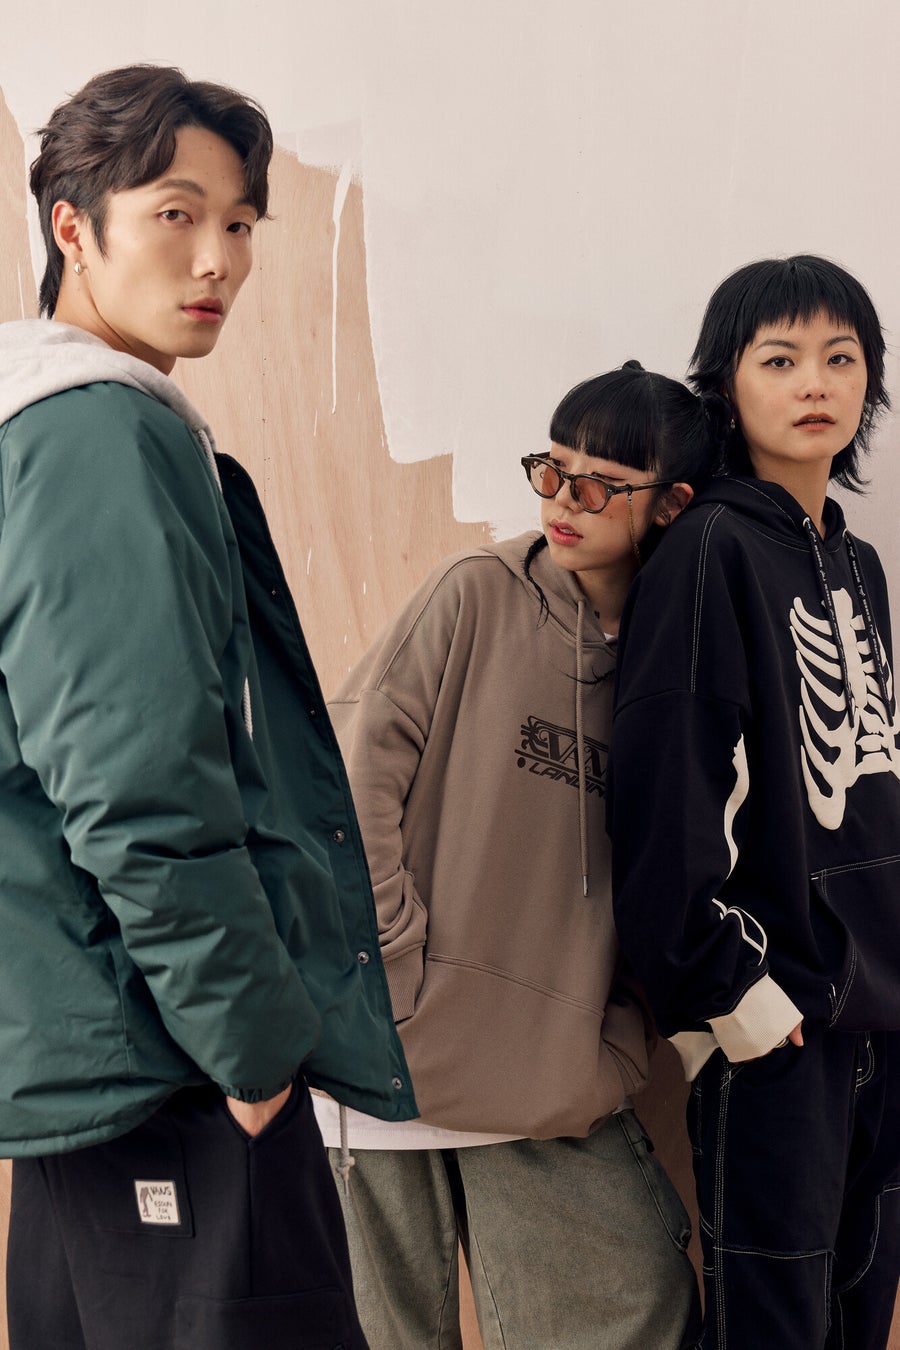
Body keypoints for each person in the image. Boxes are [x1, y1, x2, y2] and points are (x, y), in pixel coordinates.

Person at [0, 64, 416, 1350]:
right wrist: (249, 1043)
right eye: (175, 214)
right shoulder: (96, 436)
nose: (218, 260)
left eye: (239, 223)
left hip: (100, 1045)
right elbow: (135, 784)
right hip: (166, 1053)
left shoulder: (55, 425)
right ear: (74, 227)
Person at [313, 361, 726, 1349]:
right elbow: (348, 784)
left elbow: (680, 871)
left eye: (600, 485)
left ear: (672, 504)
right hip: (382, 1060)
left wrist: (615, 1043)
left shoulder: (675, 667)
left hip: (547, 1076)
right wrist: (394, 974)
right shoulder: (476, 594)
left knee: (634, 1307)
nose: (563, 501)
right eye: (552, 469)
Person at [607, 255, 900, 1349]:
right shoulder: (706, 551)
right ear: (726, 384)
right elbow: (665, 796)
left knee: (860, 1314)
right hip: (781, 1022)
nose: (815, 382)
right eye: (780, 359)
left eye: (841, 357)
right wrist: (738, 1001)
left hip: (881, 1017)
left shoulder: (858, 564)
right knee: (773, 1328)